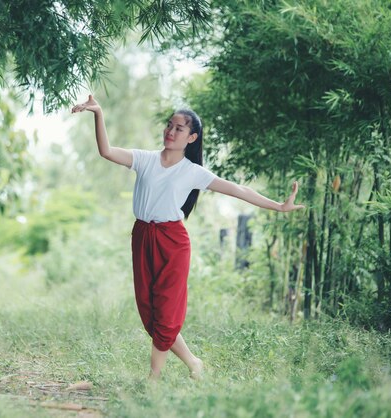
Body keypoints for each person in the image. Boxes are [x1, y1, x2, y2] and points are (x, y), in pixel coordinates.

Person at [71, 94, 305, 381]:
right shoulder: (145, 159)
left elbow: (239, 190)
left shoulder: (193, 172)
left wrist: (280, 206)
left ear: (192, 137)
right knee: (150, 311)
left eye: (179, 128)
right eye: (169, 125)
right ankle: (194, 362)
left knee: (167, 311)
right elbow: (106, 151)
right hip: (143, 236)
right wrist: (98, 113)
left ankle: (153, 379)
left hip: (172, 242)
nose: (171, 131)